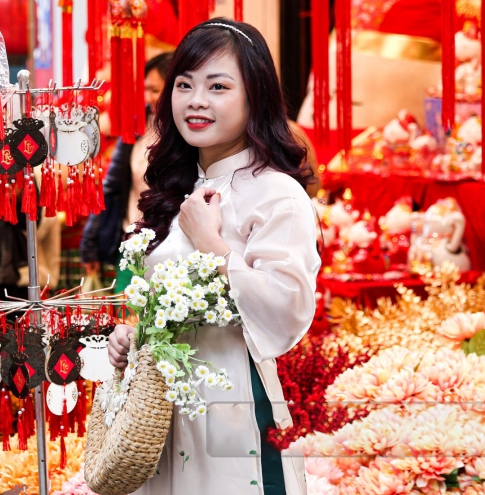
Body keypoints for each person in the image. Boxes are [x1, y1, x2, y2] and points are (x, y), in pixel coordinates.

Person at [107, 18, 320, 495]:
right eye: (185, 85)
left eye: (218, 86)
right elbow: (162, 300)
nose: (196, 100)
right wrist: (133, 334)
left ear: (255, 97)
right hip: (160, 413)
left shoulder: (276, 193)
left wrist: (215, 247)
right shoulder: (178, 188)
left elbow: (287, 311)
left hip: (232, 406)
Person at [80, 52, 172, 292]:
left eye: (154, 89)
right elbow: (112, 186)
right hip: (132, 242)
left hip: (172, 247)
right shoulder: (138, 124)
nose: (147, 97)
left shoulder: (187, 132)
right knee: (126, 322)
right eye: (145, 89)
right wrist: (90, 242)